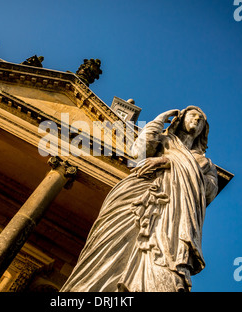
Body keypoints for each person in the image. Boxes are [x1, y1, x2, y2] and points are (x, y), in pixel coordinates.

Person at [60, 106, 219, 292]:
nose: (197, 120)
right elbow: (139, 151)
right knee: (108, 255)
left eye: (201, 120)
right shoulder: (163, 140)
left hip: (172, 217)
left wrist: (168, 162)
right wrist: (160, 118)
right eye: (193, 115)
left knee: (167, 276)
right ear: (180, 119)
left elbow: (209, 192)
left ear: (203, 131)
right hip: (135, 200)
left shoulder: (205, 164)